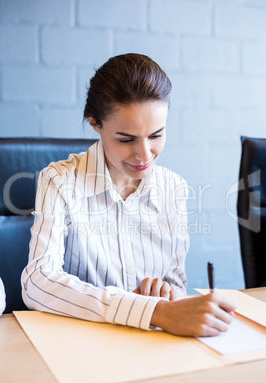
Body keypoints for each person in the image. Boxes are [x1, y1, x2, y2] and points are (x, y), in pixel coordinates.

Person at [21, 53, 236, 337]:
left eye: (156, 135)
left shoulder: (174, 189)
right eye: (126, 139)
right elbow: (38, 282)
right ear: (94, 123)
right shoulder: (59, 181)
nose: (144, 155)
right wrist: (148, 310)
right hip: (79, 345)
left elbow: (175, 282)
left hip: (146, 344)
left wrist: (165, 292)